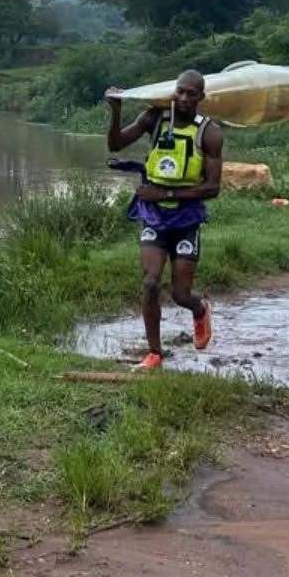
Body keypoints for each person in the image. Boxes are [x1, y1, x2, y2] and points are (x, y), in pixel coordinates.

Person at [105, 70, 223, 369]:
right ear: (174, 91)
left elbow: (212, 188)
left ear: (201, 97)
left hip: (187, 219)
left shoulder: (209, 132)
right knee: (150, 282)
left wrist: (165, 192)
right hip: (154, 216)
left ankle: (199, 309)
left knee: (180, 294)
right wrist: (116, 112)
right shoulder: (154, 119)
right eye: (180, 91)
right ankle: (155, 353)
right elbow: (116, 145)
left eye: (191, 94)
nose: (184, 98)